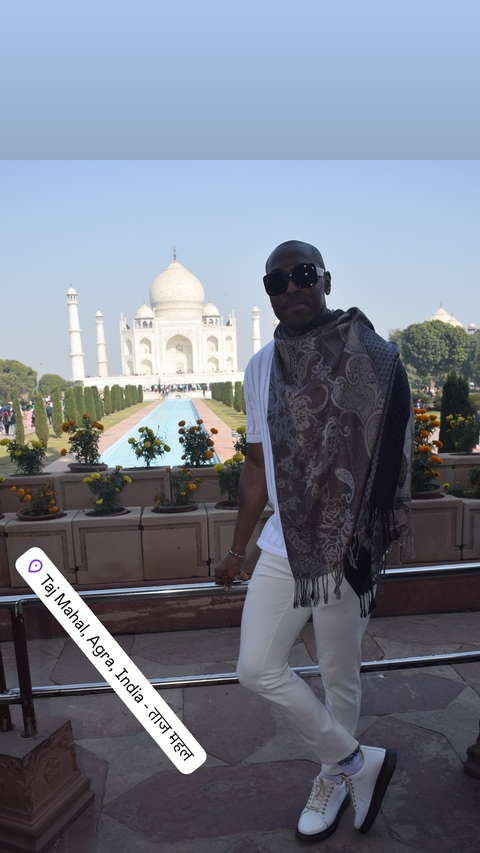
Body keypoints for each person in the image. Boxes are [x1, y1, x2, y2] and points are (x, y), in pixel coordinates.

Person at [214, 240, 413, 843]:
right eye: (277, 282)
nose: (292, 288)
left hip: (346, 542)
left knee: (338, 672)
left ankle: (333, 776)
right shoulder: (260, 366)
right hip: (284, 543)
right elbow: (255, 467)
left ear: (325, 278)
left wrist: (367, 525)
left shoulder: (371, 355)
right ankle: (357, 760)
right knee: (256, 667)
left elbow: (388, 442)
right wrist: (238, 547)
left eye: (302, 276)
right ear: (268, 294)